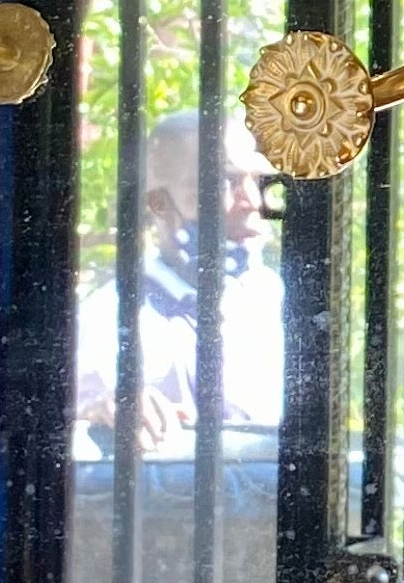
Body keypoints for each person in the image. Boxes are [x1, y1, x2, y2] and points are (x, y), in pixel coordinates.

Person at [74, 104, 285, 451]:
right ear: (158, 204)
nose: (252, 202)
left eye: (259, 181)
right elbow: (78, 410)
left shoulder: (274, 298)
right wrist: (109, 409)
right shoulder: (114, 316)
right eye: (224, 182)